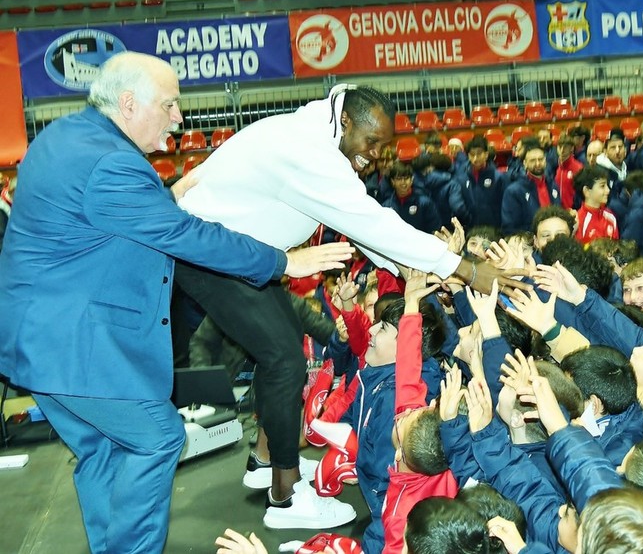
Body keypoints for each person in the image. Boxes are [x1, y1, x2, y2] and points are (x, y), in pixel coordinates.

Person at [0, 52, 351, 554]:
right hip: (74, 348)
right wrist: (282, 262)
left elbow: (99, 216)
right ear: (128, 104)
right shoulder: (113, 164)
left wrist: (164, 196)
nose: (178, 117)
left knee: (106, 451)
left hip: (39, 343)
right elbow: (187, 236)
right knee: (159, 437)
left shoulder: (65, 136)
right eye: (168, 105)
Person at [175, 83, 518, 531]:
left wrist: (407, 264)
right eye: (371, 141)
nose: (375, 155)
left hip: (239, 253)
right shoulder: (308, 150)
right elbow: (369, 222)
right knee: (284, 359)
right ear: (347, 121)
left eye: (383, 146)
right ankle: (285, 496)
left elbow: (360, 226)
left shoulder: (321, 138)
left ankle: (265, 459)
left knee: (282, 347)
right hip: (214, 252)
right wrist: (464, 268)